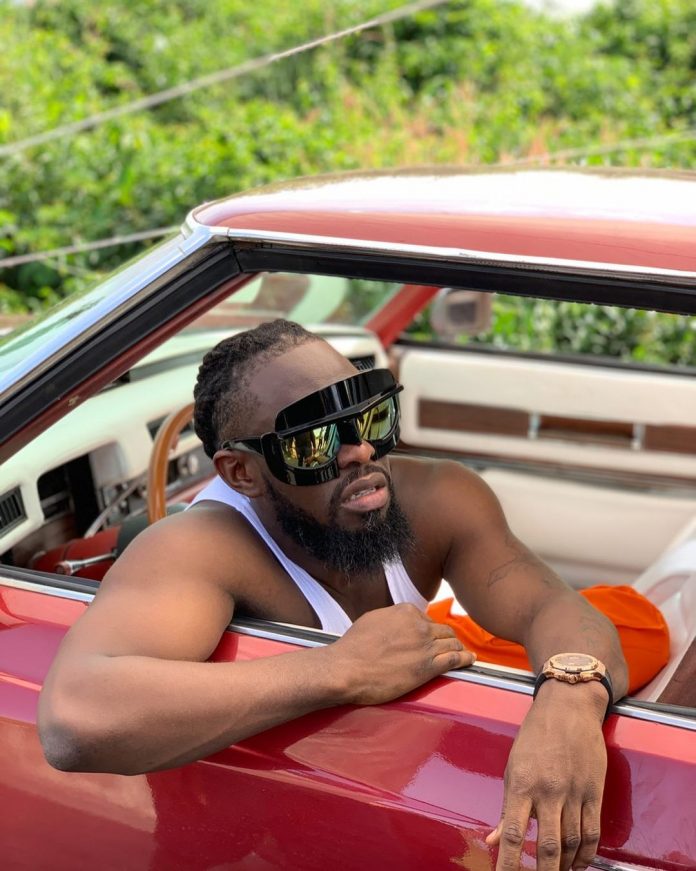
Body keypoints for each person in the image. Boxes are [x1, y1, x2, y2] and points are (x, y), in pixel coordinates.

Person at [39, 319, 629, 871]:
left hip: (386, 797)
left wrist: (568, 702)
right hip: (241, 840)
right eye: (315, 442)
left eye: (370, 419)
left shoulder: (438, 498)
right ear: (242, 473)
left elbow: (549, 605)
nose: (361, 452)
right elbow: (75, 720)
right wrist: (340, 669)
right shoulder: (201, 547)